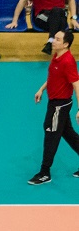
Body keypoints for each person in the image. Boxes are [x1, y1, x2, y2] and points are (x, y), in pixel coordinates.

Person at [28, 29, 79, 185]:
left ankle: (45, 173)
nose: (53, 41)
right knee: (68, 133)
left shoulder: (68, 61)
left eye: (57, 39)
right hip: (54, 101)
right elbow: (53, 76)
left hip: (60, 105)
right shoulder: (57, 56)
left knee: (51, 135)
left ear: (65, 44)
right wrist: (42, 89)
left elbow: (77, 85)